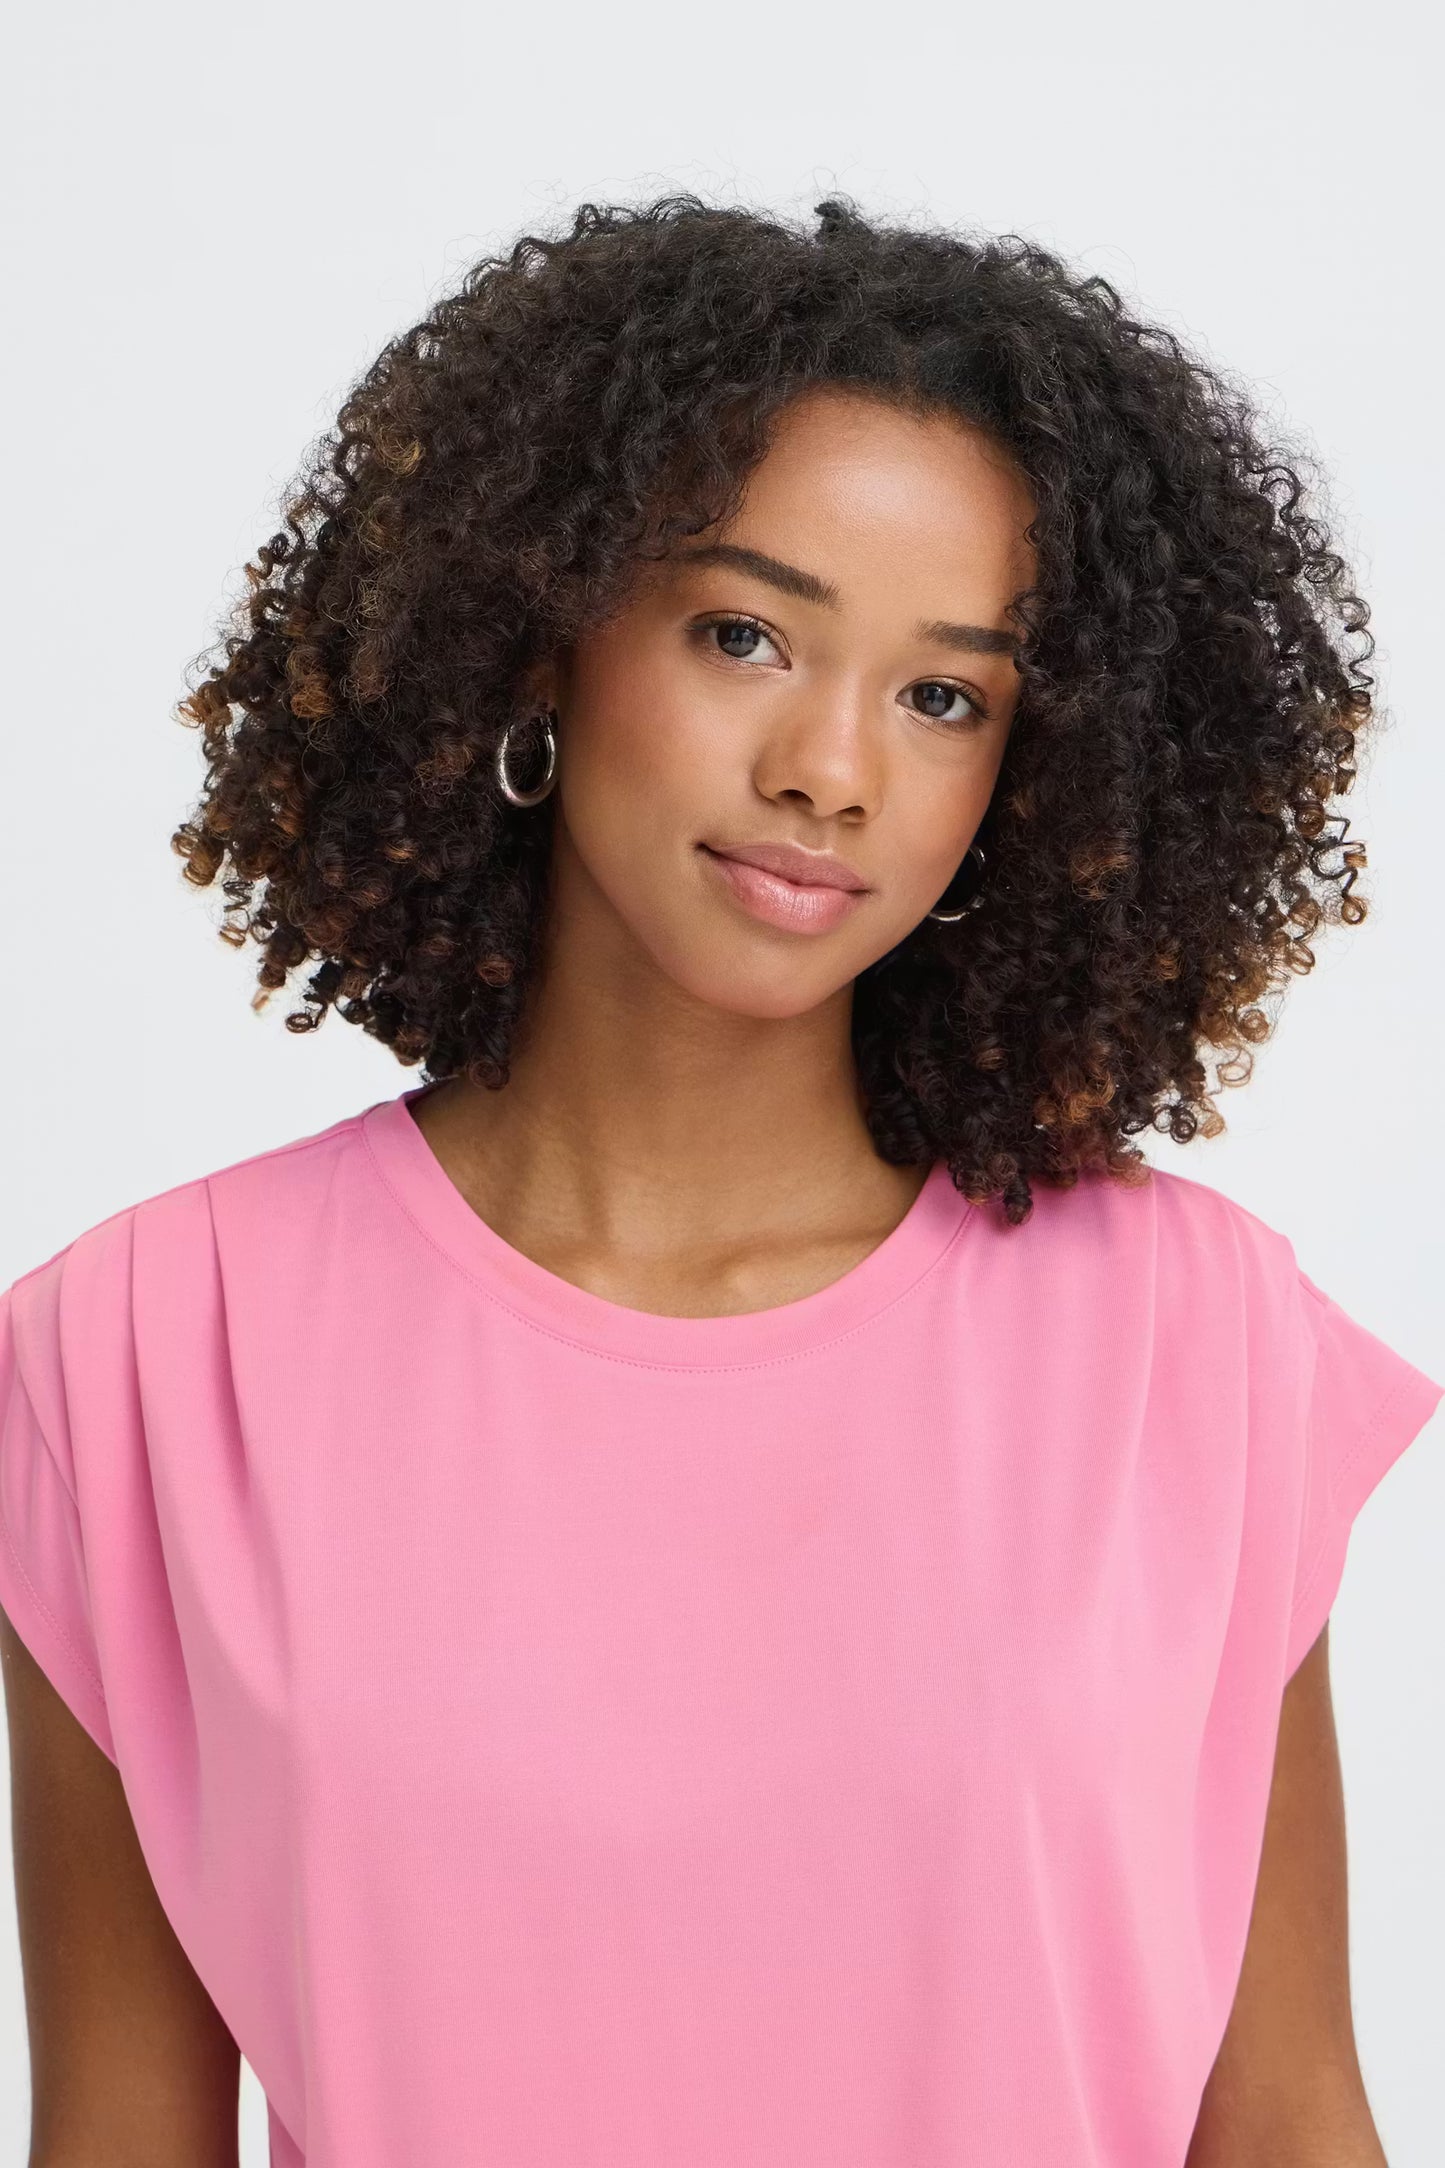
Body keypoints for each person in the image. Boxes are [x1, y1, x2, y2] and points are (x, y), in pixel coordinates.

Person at [0, 192, 1438, 2168]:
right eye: (745, 632)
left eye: (946, 695)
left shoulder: (1189, 1344)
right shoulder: (154, 1354)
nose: (830, 768)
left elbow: (1287, 2123)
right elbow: (116, 2139)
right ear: (547, 630)